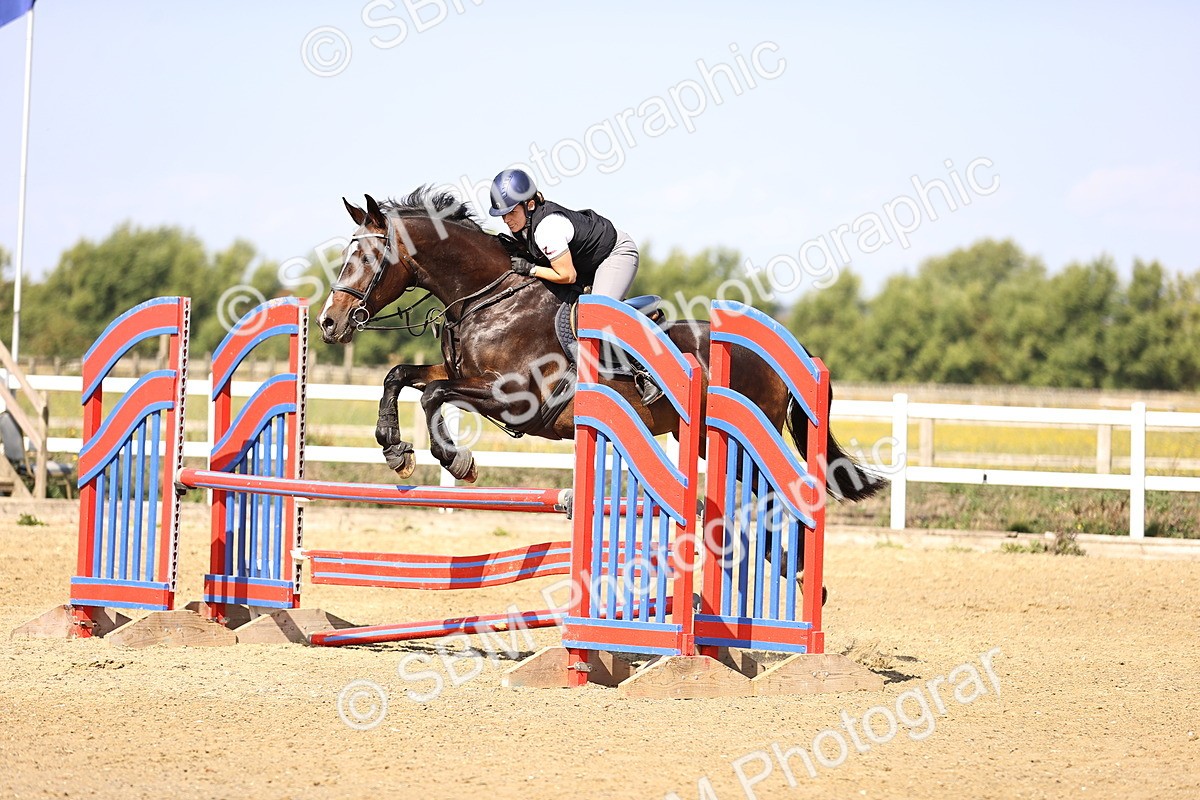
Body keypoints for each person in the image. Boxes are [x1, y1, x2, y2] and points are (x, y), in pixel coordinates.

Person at [488, 168, 661, 405]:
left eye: (511, 212)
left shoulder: (547, 228)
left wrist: (531, 269)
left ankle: (647, 371)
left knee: (595, 314)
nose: (506, 220)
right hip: (588, 266)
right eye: (502, 215)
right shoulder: (524, 227)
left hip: (615, 254)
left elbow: (567, 275)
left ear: (529, 205)